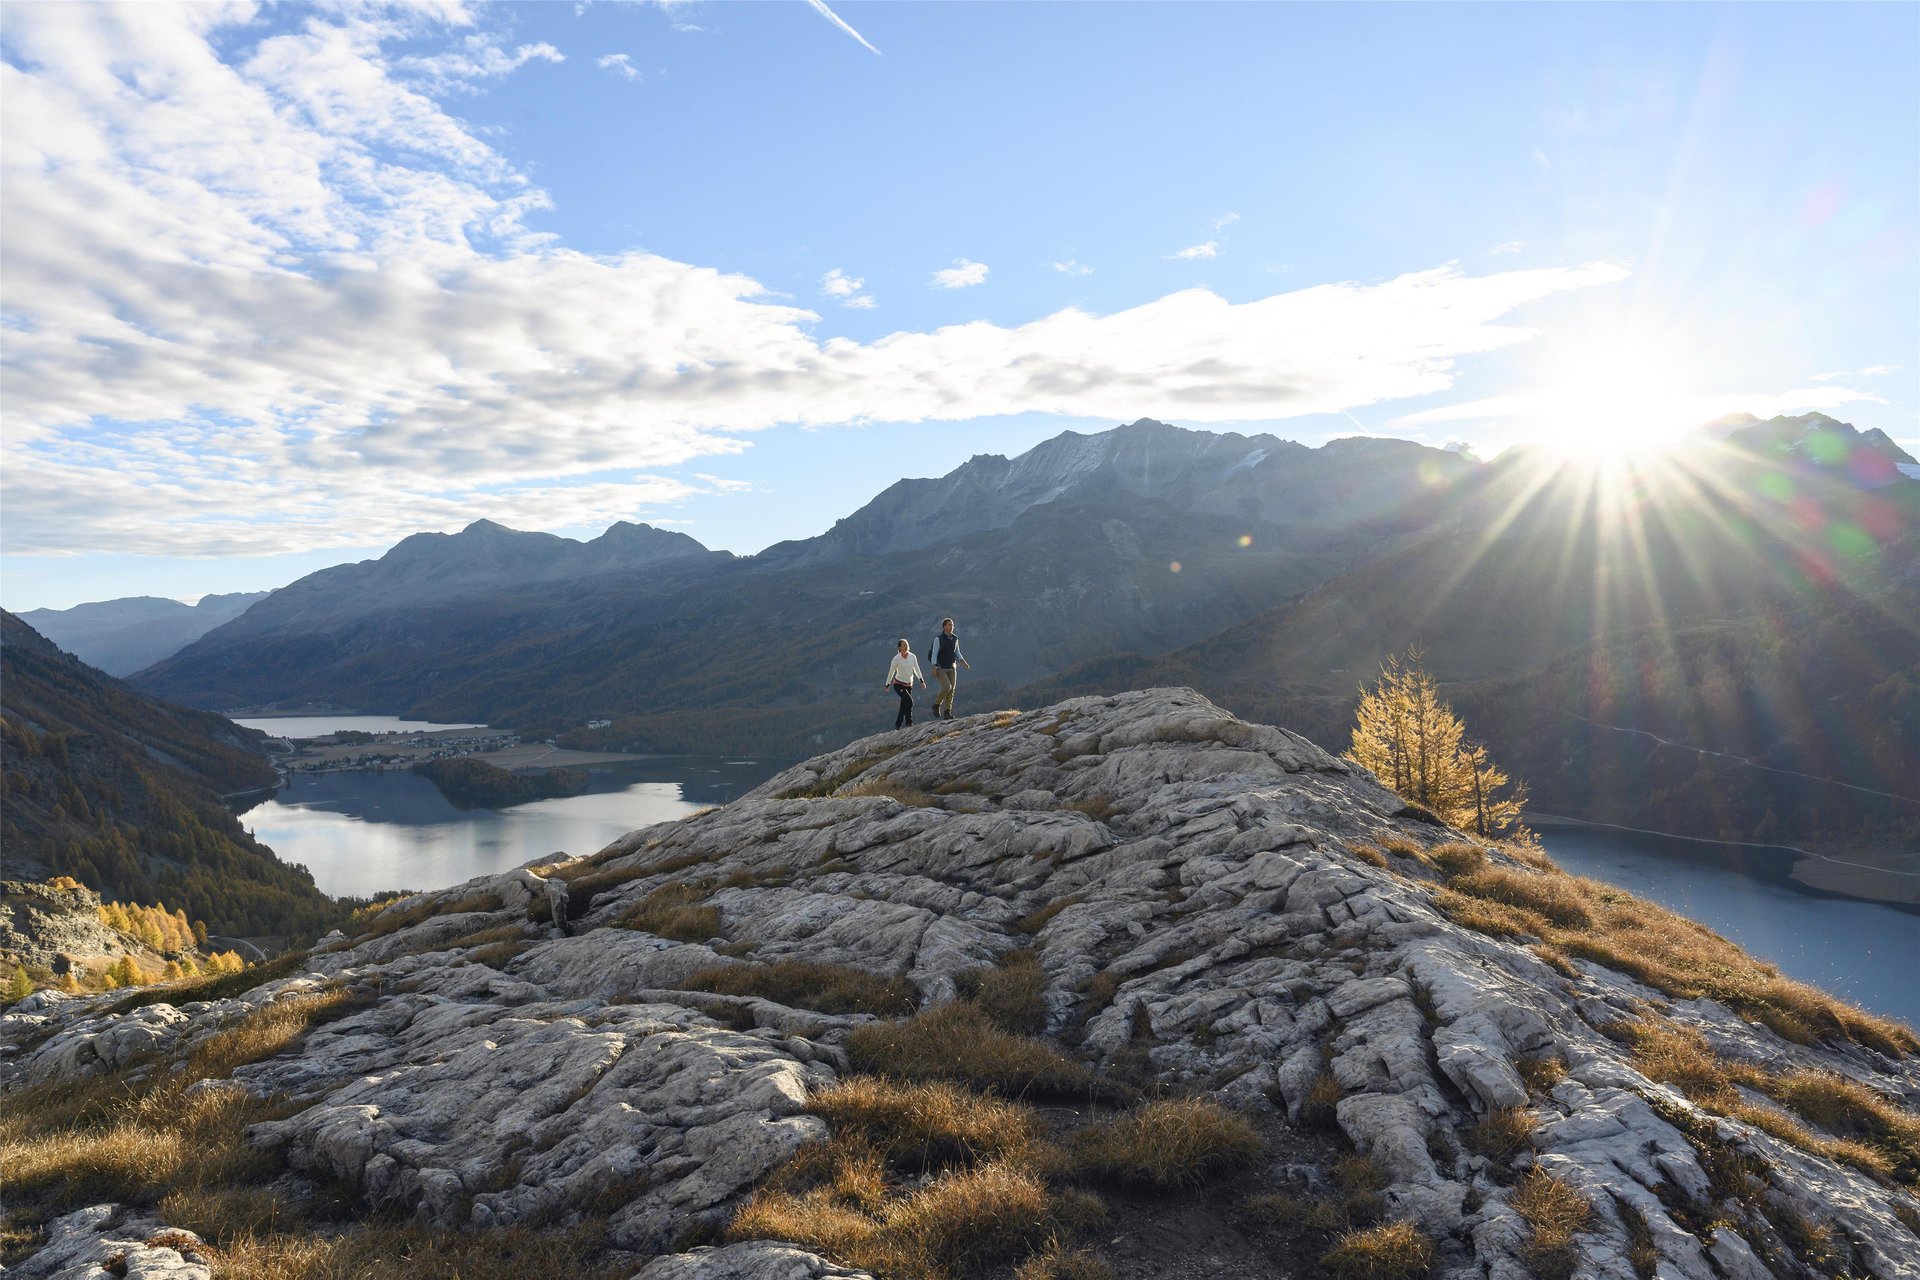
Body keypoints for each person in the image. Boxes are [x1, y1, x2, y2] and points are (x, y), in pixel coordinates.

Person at [925, 617, 971, 720]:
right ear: (944, 627)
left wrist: (963, 662)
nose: (952, 627)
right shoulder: (938, 639)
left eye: (953, 625)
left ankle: (947, 712)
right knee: (947, 687)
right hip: (941, 668)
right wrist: (934, 667)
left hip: (952, 667)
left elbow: (957, 651)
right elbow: (934, 654)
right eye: (949, 625)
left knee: (952, 690)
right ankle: (936, 704)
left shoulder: (955, 638)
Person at [884, 637, 924, 729]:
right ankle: (909, 722)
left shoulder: (912, 657)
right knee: (909, 701)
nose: (906, 646)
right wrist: (887, 684)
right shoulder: (896, 659)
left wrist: (921, 680)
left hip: (909, 685)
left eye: (907, 644)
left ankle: (898, 724)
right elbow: (891, 672)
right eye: (904, 645)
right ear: (899, 648)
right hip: (898, 684)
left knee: (904, 704)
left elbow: (917, 669)